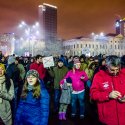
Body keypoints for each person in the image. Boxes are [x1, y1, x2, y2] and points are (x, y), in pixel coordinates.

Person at [90, 55, 125, 125]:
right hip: (108, 118)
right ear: (106, 67)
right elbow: (93, 94)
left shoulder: (123, 74)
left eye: (117, 69)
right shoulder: (99, 76)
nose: (115, 72)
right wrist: (108, 95)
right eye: (112, 70)